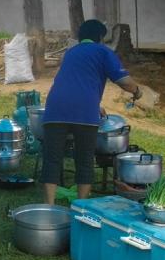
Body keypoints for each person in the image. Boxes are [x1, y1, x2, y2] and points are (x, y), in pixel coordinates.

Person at [41, 19, 142, 204]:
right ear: (100, 37)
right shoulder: (103, 51)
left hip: (55, 108)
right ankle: (82, 206)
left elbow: (74, 82)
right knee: (85, 160)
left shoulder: (70, 53)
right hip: (84, 112)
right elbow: (124, 81)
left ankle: (49, 205)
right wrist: (137, 91)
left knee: (52, 159)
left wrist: (95, 105)